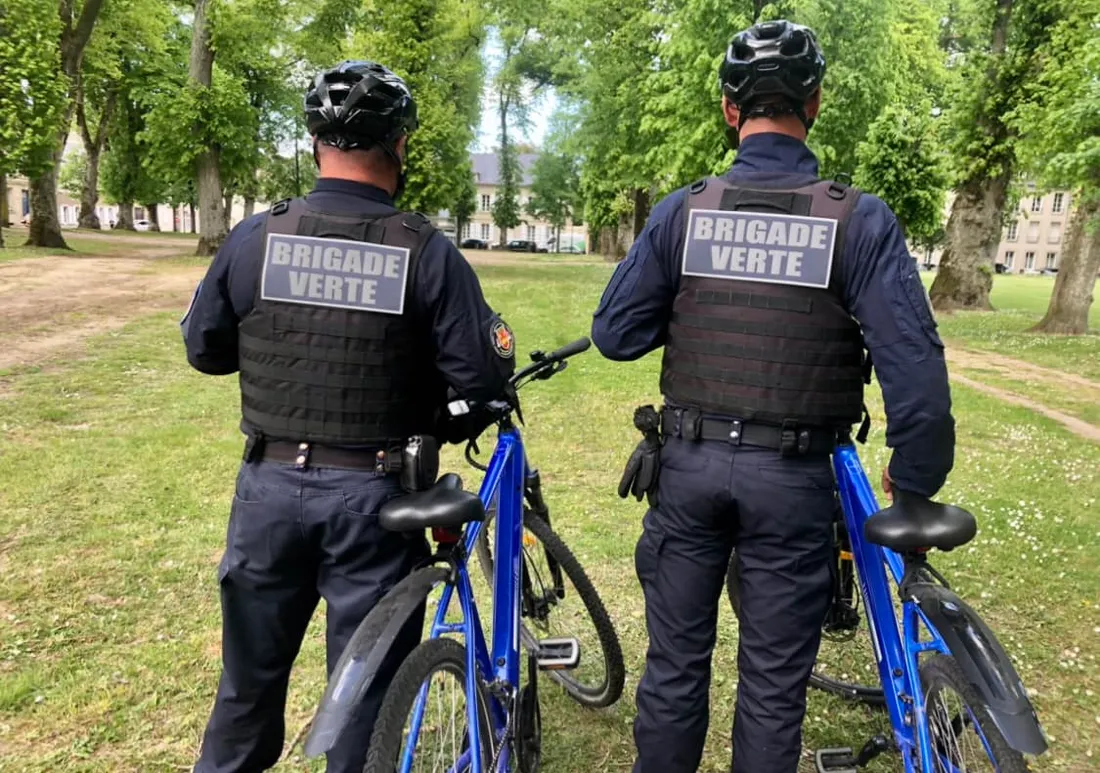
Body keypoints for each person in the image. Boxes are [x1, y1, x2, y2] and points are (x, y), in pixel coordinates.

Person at [593, 20, 955, 773]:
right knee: (771, 686)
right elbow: (914, 369)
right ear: (815, 102)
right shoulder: (858, 218)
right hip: (793, 482)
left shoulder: (683, 212)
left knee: (674, 669)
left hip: (688, 469)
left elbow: (616, 333)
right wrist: (914, 484)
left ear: (729, 109)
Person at [182, 60, 516, 773]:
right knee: (364, 712)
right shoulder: (425, 251)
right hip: (373, 499)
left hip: (267, 492)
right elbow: (478, 383)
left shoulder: (255, 238)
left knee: (242, 700)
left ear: (313, 145)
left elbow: (204, 349)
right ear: (399, 144)